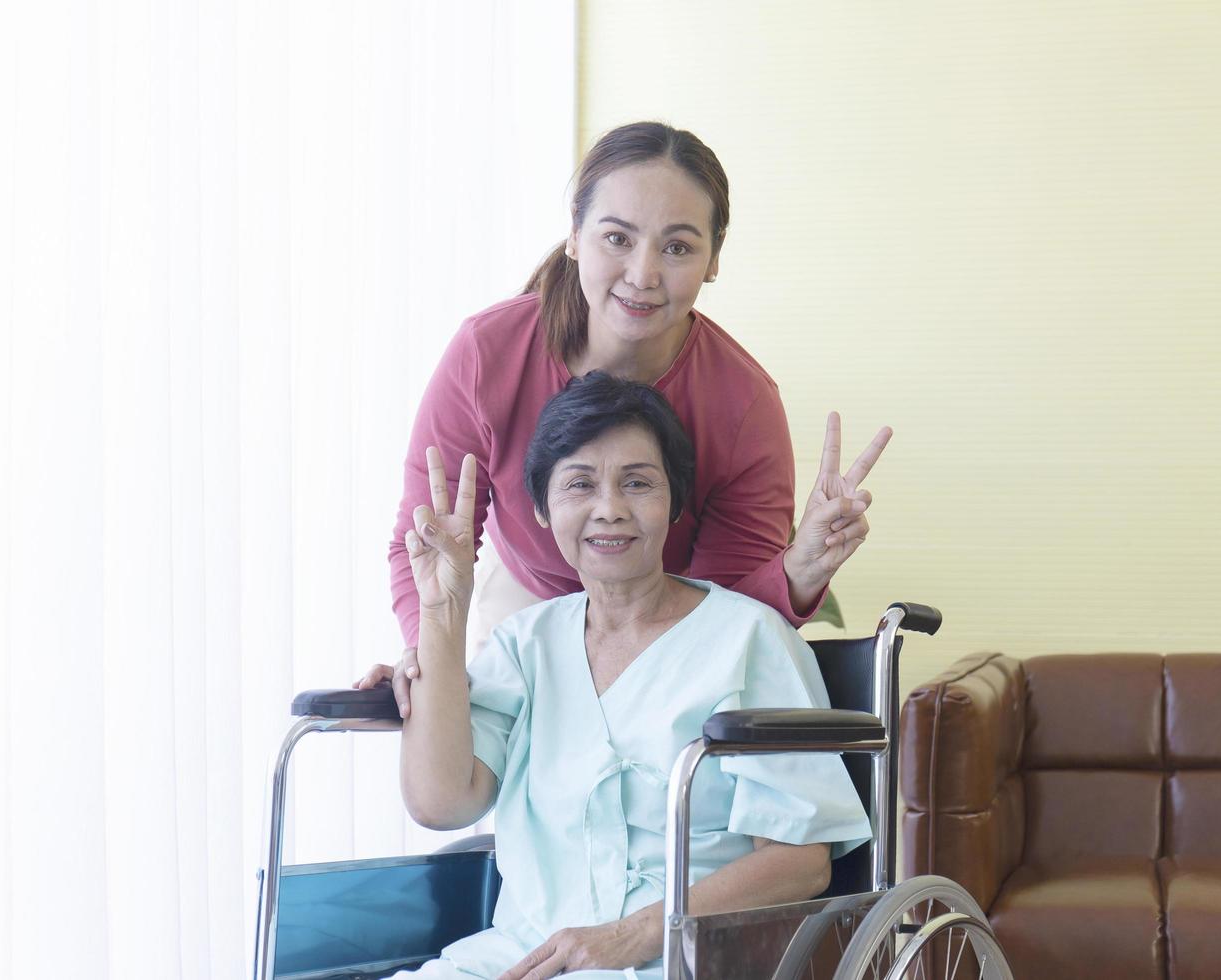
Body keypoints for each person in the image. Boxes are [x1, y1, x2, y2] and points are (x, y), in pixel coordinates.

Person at [364, 373, 870, 979]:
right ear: (543, 511)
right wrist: (443, 609)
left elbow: (800, 861)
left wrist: (629, 938)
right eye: (580, 483)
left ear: (674, 503)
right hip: (523, 954)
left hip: (679, 958)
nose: (610, 508)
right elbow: (443, 803)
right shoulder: (526, 646)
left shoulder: (749, 640)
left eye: (638, 482)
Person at [379, 121, 891, 717]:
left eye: (677, 247)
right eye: (617, 238)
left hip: (667, 622)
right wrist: (427, 654)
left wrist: (798, 571)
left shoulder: (742, 404)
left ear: (714, 259)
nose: (643, 275)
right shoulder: (486, 354)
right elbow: (429, 542)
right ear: (574, 235)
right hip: (530, 597)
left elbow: (728, 614)